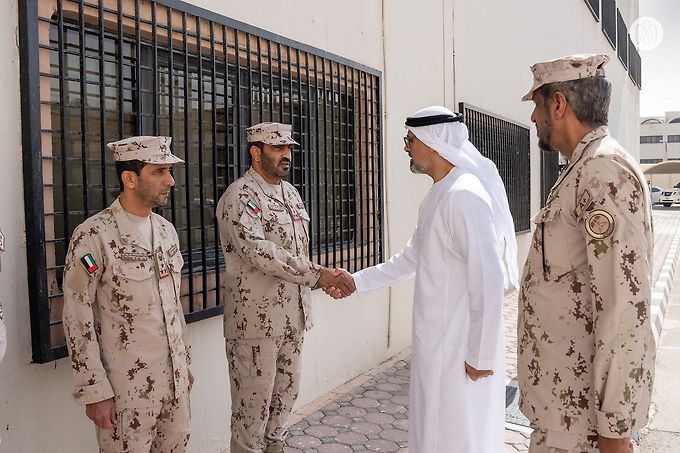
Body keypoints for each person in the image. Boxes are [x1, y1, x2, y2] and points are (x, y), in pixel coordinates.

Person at [328, 106, 519, 453]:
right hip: (436, 342)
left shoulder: (463, 197)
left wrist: (480, 354)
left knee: (458, 435)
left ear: (433, 142)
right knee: (433, 430)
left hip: (460, 347)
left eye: (410, 140)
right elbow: (409, 260)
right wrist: (356, 281)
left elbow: (489, 279)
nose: (406, 148)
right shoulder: (439, 194)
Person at [518, 54, 655, 453]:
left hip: (584, 428)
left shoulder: (602, 171)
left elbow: (624, 308)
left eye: (536, 106)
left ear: (558, 105)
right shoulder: (581, 170)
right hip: (563, 414)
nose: (533, 119)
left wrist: (615, 432)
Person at [216, 122, 354, 453]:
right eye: (277, 148)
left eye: (288, 148)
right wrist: (320, 276)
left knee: (283, 404)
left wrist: (317, 278)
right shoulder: (240, 196)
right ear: (255, 152)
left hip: (292, 319)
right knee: (253, 412)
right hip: (255, 326)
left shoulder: (290, 193)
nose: (286, 155)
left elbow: (296, 252)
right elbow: (263, 253)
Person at [62, 136, 192, 453]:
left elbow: (173, 306)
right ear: (129, 178)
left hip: (175, 387)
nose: (170, 181)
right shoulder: (94, 234)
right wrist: (94, 391)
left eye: (169, 171)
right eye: (159, 171)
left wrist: (185, 364)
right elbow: (76, 316)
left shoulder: (166, 231)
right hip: (126, 394)